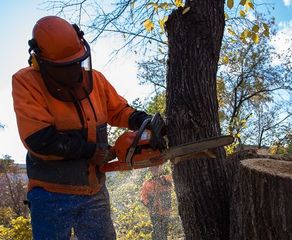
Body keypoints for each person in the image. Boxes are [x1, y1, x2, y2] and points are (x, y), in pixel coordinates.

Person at [12, 16, 164, 240]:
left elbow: (118, 110)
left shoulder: (95, 80)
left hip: (94, 191)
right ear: (41, 62)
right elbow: (39, 139)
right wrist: (92, 151)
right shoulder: (27, 83)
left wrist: (143, 120)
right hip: (50, 193)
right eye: (66, 67)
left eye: (77, 63)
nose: (74, 71)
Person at [140, 166, 173, 240]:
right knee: (157, 231)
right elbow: (143, 198)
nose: (154, 170)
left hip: (166, 212)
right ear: (150, 170)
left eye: (156, 168)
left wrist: (163, 179)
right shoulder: (147, 183)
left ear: (160, 168)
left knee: (164, 231)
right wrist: (149, 204)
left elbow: (172, 180)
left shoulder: (166, 179)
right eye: (152, 168)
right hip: (155, 213)